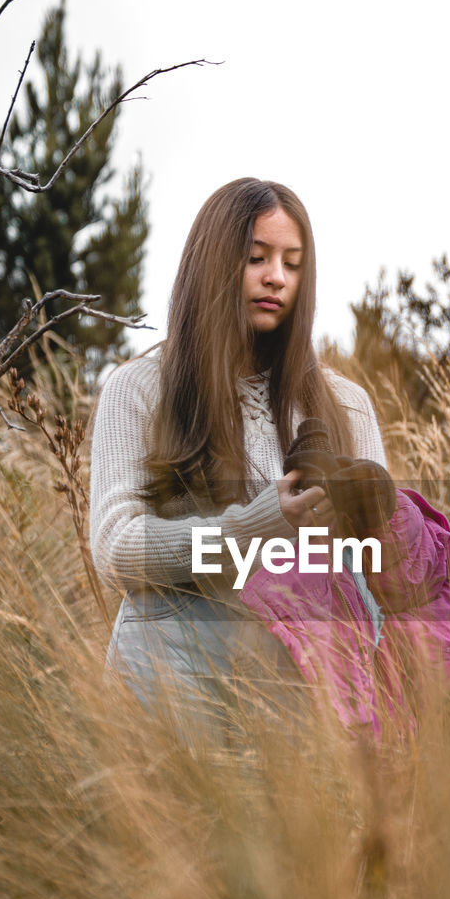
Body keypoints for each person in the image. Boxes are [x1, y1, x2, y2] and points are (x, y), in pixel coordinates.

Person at [88, 177, 389, 734]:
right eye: (257, 257)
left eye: (293, 263)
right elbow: (118, 553)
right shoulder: (137, 389)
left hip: (305, 704)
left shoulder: (346, 404)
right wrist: (261, 528)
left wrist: (366, 528)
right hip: (171, 685)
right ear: (213, 265)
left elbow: (379, 570)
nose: (276, 275)